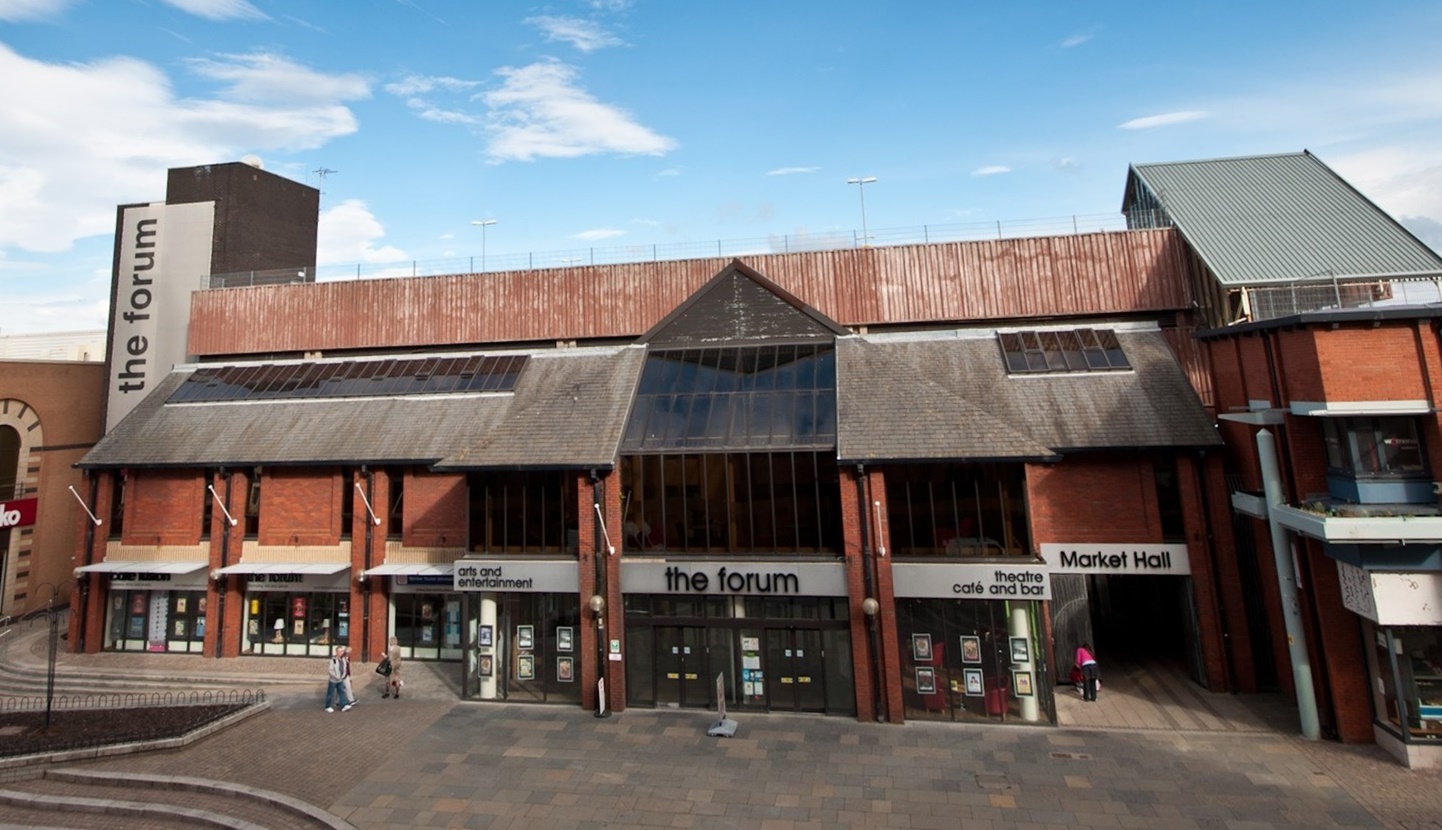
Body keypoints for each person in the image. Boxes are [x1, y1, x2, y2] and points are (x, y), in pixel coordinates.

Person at [324, 648, 354, 712]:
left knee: (341, 692)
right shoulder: (333, 660)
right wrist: (336, 676)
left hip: (340, 679)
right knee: (330, 693)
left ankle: (343, 705)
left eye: (342, 651)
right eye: (340, 651)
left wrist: (343, 676)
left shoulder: (343, 659)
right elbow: (330, 670)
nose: (341, 653)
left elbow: (344, 668)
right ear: (337, 652)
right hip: (333, 680)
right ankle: (327, 706)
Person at [338, 645, 357, 710]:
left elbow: (347, 667)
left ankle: (350, 700)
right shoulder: (342, 657)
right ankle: (349, 700)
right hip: (342, 675)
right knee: (344, 687)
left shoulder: (347, 657)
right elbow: (342, 667)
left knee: (345, 687)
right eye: (349, 652)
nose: (350, 653)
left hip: (346, 675)